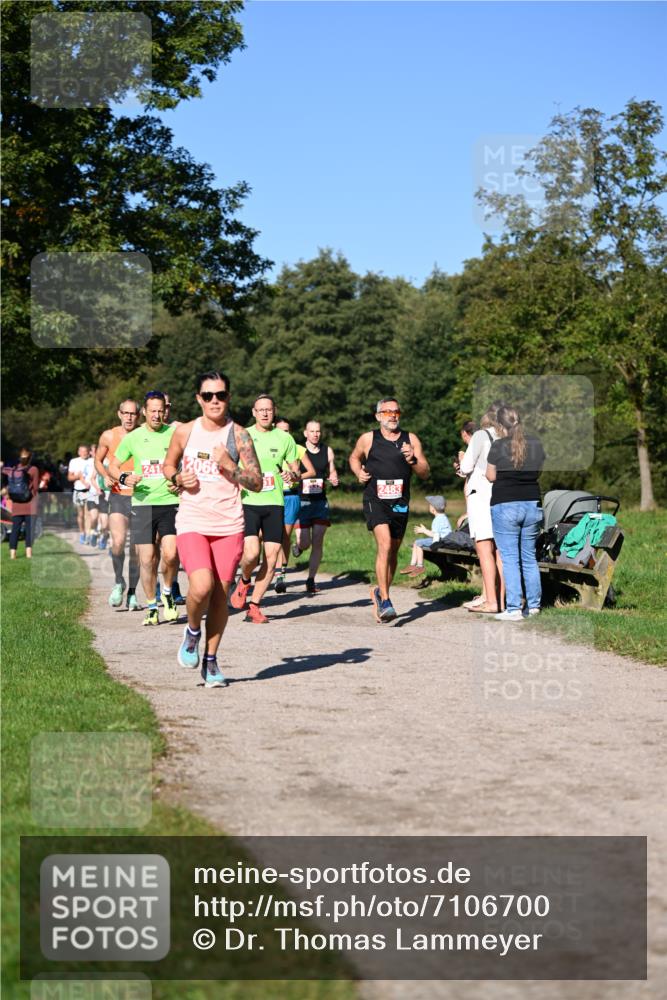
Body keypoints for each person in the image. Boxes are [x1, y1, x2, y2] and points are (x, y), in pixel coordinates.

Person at [163, 371, 262, 686]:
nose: (215, 401)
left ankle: (211, 660)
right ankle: (192, 632)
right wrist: (178, 478)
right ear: (198, 399)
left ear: (229, 397)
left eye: (220, 395)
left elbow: (257, 483)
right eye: (208, 396)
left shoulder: (240, 435)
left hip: (229, 524)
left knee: (220, 596)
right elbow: (168, 466)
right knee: (201, 586)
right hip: (193, 519)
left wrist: (230, 466)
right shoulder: (185, 432)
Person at [229, 394, 313, 623]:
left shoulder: (284, 438)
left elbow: (296, 472)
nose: (265, 413)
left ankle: (254, 605)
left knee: (273, 555)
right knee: (252, 554)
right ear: (254, 412)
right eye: (261, 410)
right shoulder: (243, 435)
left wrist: (292, 475)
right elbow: (229, 467)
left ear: (274, 411)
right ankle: (244, 580)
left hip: (275, 503)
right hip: (248, 502)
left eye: (269, 409)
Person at [349, 397, 430, 622]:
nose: (392, 416)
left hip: (400, 502)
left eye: (396, 412)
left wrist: (413, 459)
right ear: (378, 416)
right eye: (387, 412)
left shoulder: (410, 439)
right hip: (375, 498)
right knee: (384, 544)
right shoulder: (368, 438)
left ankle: (381, 591)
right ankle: (385, 600)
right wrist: (358, 472)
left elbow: (425, 471)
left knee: (393, 551)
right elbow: (354, 458)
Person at [108, 390, 180, 626]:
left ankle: (167, 593)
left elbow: (190, 460)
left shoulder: (174, 434)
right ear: (145, 413)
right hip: (142, 504)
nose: (157, 415)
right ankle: (151, 606)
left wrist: (181, 482)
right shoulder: (133, 438)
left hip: (170, 502)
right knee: (147, 559)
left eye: (161, 410)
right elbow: (113, 465)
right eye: (153, 411)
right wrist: (123, 478)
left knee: (171, 554)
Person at [486, 406, 546, 621]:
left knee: (510, 559)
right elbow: (538, 471)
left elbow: (491, 476)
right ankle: (534, 606)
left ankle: (513, 609)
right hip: (532, 503)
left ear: (500, 426)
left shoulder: (498, 445)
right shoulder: (536, 443)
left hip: (505, 504)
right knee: (529, 557)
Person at [458, 406, 505, 614]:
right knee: (501, 552)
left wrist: (461, 462)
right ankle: (502, 600)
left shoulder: (480, 436)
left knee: (484, 549)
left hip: (482, 496)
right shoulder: (509, 437)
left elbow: (466, 467)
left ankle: (490, 602)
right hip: (503, 495)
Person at [95, 399, 141, 610]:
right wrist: (105, 475)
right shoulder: (109, 435)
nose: (129, 417)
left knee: (137, 550)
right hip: (118, 494)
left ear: (138, 416)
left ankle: (132, 592)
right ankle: (118, 581)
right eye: (126, 413)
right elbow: (98, 460)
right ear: (119, 414)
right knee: (118, 542)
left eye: (133, 414)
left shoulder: (144, 435)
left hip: (141, 496)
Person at [292, 420, 339, 594]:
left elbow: (332, 470)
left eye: (318, 431)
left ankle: (311, 579)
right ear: (306, 433)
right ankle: (298, 547)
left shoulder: (328, 451)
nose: (315, 434)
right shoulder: (298, 450)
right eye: (312, 431)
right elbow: (294, 471)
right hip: (302, 501)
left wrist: (333, 477)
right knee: (305, 542)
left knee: (318, 540)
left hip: (320, 501)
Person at [273, 417, 306, 594]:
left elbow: (310, 471)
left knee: (284, 536)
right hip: (271, 495)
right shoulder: (265, 446)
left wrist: (295, 476)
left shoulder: (297, 448)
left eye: (287, 431)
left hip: (291, 496)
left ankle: (281, 575)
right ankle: (264, 565)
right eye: (281, 430)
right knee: (264, 536)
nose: (285, 434)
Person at [400, 495, 452, 576]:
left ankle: (419, 566)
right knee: (416, 543)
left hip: (440, 541)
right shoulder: (443, 517)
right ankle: (413, 565)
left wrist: (424, 531)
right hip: (444, 540)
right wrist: (426, 530)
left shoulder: (437, 520)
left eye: (430, 505)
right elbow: (438, 533)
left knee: (418, 543)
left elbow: (435, 535)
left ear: (433, 509)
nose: (429, 506)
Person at [5, 448, 40, 559]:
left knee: (15, 529)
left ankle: (12, 554)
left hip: (16, 504)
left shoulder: (14, 469)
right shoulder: (34, 469)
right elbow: (35, 488)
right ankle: (29, 554)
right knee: (29, 530)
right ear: (30, 458)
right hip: (30, 504)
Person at [68, 444, 91, 543]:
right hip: (78, 490)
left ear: (88, 452)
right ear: (78, 452)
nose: (84, 453)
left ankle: (88, 535)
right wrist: (78, 477)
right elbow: (69, 478)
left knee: (88, 514)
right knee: (80, 514)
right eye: (82, 451)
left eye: (85, 451)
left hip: (90, 491)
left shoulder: (92, 461)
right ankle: (82, 533)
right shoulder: (74, 461)